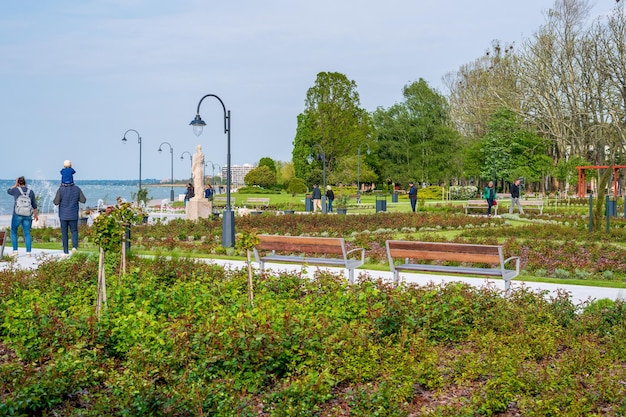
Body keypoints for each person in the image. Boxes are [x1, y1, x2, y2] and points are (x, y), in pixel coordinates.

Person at [6, 176, 39, 257]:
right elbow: (34, 205)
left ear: (18, 183)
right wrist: (35, 215)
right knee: (27, 233)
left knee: (13, 231)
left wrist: (15, 185)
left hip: (17, 214)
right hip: (28, 215)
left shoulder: (15, 190)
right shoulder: (30, 192)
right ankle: (28, 252)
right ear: (25, 182)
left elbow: (8, 191)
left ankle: (15, 251)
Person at [53, 182, 86, 256]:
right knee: (74, 231)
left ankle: (65, 251)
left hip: (63, 215)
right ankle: (74, 247)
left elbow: (56, 202)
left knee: (64, 233)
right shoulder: (77, 189)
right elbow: (83, 200)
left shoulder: (60, 190)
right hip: (73, 215)